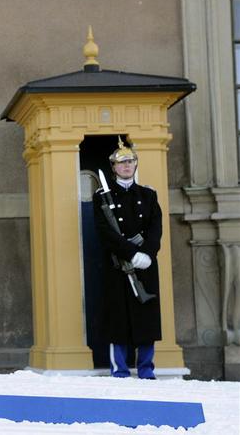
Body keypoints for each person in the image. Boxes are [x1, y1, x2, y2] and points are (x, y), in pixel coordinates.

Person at [92, 140, 162, 380]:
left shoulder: (149, 195)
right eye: (122, 163)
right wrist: (130, 254)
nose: (126, 166)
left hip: (145, 266)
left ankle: (146, 369)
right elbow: (106, 232)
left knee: (147, 319)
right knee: (118, 320)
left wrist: (147, 255)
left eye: (130, 162)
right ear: (114, 167)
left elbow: (155, 229)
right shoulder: (102, 196)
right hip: (118, 266)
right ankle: (120, 370)